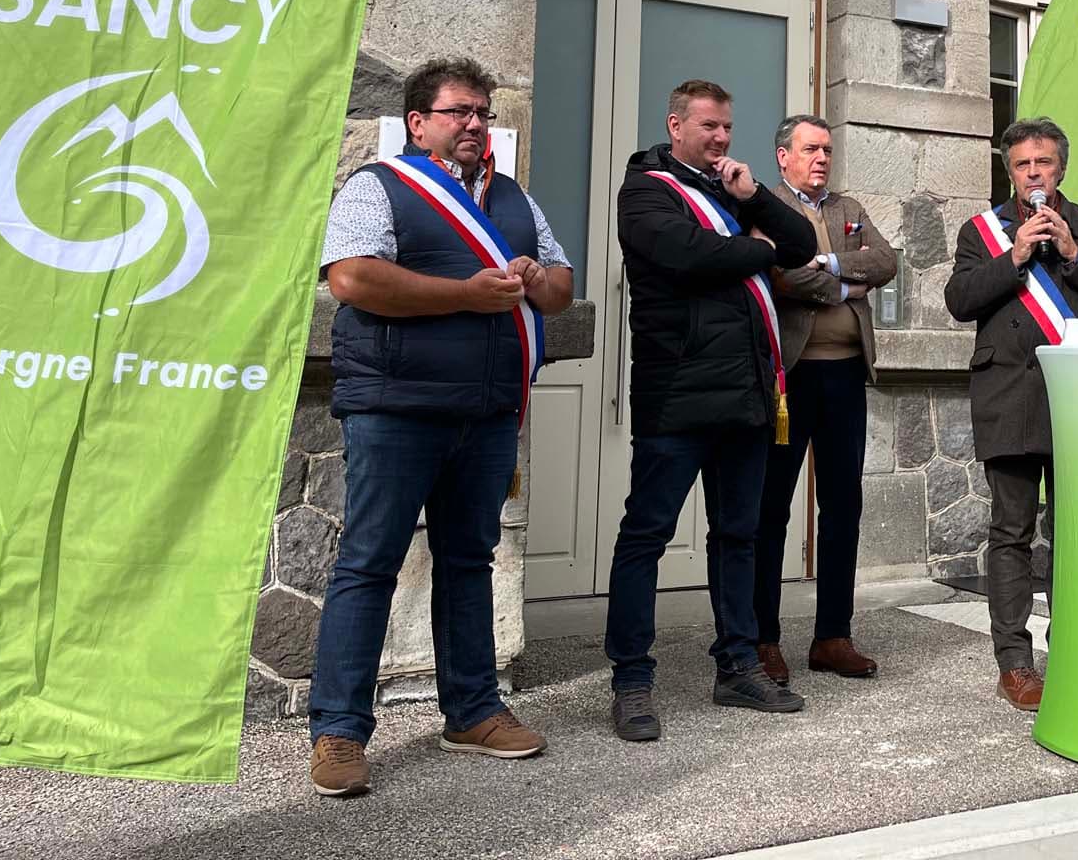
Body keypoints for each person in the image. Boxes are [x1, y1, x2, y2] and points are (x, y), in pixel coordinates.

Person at [310, 57, 575, 799]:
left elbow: (560, 286)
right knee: (369, 563)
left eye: (483, 112)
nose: (474, 124)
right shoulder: (378, 186)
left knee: (469, 561)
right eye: (459, 111)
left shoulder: (515, 199)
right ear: (418, 121)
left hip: (486, 412)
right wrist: (465, 295)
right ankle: (337, 730)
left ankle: (473, 711)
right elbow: (353, 279)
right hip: (396, 406)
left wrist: (527, 279)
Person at [605, 78, 818, 743]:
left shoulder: (730, 190)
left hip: (745, 398)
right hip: (677, 397)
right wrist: (757, 248)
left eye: (727, 128)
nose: (721, 139)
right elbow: (686, 256)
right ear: (675, 125)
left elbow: (803, 246)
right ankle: (632, 679)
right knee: (646, 537)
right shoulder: (643, 190)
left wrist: (754, 198)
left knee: (738, 537)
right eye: (708, 127)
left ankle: (737, 665)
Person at [944, 116, 1078, 711]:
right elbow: (959, 300)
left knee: (1075, 535)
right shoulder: (983, 231)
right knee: (1011, 533)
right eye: (1024, 163)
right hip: (1010, 397)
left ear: (1062, 168)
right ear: (1010, 170)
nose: (1035, 172)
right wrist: (1015, 256)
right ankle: (1016, 663)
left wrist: (1074, 253)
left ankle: (1074, 648)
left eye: (1045, 162)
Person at [753, 114, 898, 685]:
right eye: (811, 149)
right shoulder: (765, 207)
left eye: (828, 150)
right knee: (772, 508)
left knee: (843, 507)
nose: (821, 159)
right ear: (783, 155)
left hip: (844, 379)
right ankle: (762, 638)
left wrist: (831, 262)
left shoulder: (848, 209)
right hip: (788, 380)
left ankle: (833, 636)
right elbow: (780, 277)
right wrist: (843, 286)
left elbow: (886, 262)